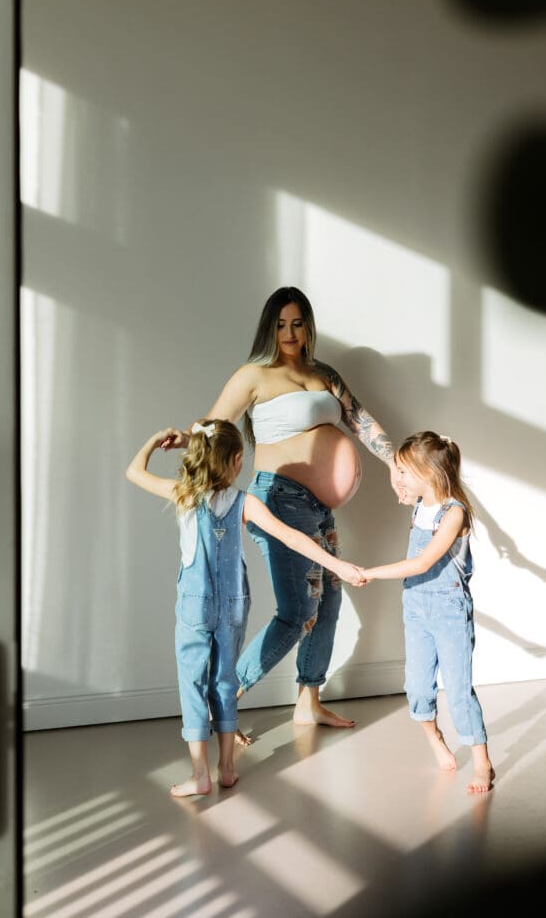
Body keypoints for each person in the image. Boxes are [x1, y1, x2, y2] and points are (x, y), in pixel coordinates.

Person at [162, 286, 396, 731]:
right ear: (271, 328)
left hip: (318, 507)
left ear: (308, 326)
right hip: (278, 500)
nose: (289, 332)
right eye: (281, 324)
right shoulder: (255, 374)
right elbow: (214, 426)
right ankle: (225, 697)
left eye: (297, 323)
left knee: (327, 603)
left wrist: (395, 463)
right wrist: (187, 439)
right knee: (298, 610)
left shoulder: (324, 373)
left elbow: (359, 419)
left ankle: (309, 700)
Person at [125, 418, 365, 797]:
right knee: (225, 682)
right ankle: (227, 769)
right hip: (234, 605)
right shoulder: (245, 502)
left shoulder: (183, 494)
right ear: (238, 461)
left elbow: (133, 472)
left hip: (194, 605)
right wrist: (338, 566)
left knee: (193, 684)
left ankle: (199, 774)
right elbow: (292, 536)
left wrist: (156, 440)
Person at [362, 430, 494, 794]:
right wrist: (404, 487)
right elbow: (406, 489)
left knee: (457, 689)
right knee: (417, 686)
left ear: (429, 473)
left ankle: (482, 761)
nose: (396, 477)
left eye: (403, 471)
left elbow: (421, 563)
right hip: (416, 607)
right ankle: (434, 736)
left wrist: (370, 573)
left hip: (449, 609)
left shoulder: (454, 513)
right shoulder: (420, 506)